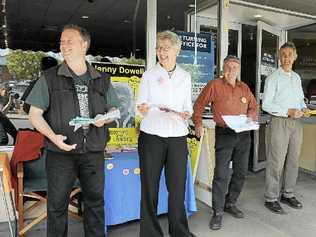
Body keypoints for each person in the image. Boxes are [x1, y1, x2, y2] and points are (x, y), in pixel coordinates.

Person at [26, 24, 120, 237]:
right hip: (60, 153)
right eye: (62, 41)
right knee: (57, 205)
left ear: (84, 45)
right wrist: (53, 137)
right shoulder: (49, 78)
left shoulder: (102, 79)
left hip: (94, 152)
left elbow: (115, 110)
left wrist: (104, 119)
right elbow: (34, 115)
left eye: (70, 41)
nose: (64, 45)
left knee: (95, 203)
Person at [136, 31, 195, 237]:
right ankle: (150, 233)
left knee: (177, 189)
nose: (161, 53)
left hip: (178, 136)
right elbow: (140, 105)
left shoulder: (185, 76)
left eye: (166, 48)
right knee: (150, 189)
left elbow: (188, 106)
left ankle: (179, 231)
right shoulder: (149, 75)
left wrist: (187, 113)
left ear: (177, 50)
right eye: (159, 48)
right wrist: (142, 109)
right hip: (152, 135)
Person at [193, 55, 258, 230]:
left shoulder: (244, 87)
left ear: (238, 70)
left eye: (234, 68)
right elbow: (198, 105)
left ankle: (231, 203)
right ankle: (218, 212)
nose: (231, 71)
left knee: (241, 172)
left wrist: (250, 118)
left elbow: (253, 106)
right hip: (225, 133)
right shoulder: (215, 85)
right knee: (221, 174)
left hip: (243, 134)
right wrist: (198, 123)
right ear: (223, 69)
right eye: (228, 67)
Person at [262, 42, 309, 214]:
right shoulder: (272, 78)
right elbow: (266, 104)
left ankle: (287, 194)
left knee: (293, 160)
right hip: (279, 122)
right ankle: (271, 197)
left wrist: (303, 108)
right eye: (283, 54)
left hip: (296, 124)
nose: (287, 57)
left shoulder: (296, 78)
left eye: (290, 54)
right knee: (276, 161)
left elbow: (300, 99)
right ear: (279, 58)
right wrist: (287, 111)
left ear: (295, 57)